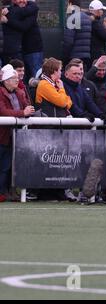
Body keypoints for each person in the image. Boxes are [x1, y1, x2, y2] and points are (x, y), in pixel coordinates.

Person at [0, 64, 34, 202]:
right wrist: (22, 113)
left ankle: (5, 192)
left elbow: (27, 107)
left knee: (7, 167)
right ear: (6, 80)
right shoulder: (0, 93)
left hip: (14, 136)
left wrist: (28, 110)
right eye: (13, 78)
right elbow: (3, 112)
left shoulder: (19, 92)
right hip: (2, 135)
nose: (17, 80)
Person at [64, 0, 93, 68]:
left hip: (74, 57)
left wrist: (64, 57)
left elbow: (68, 41)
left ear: (70, 4)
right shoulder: (87, 18)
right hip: (86, 56)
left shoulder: (72, 18)